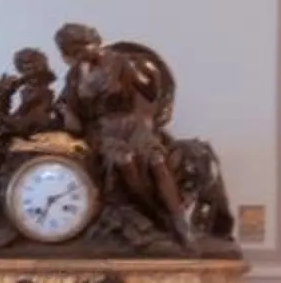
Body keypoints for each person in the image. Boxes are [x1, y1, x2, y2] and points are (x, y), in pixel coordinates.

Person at [54, 22, 196, 250]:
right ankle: (154, 213)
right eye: (74, 53)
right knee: (124, 161)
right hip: (104, 129)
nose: (80, 56)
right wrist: (66, 111)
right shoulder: (76, 76)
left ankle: (180, 222)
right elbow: (71, 109)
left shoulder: (122, 62)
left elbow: (154, 90)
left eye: (83, 48)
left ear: (94, 41)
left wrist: (150, 105)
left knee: (156, 161)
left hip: (134, 123)